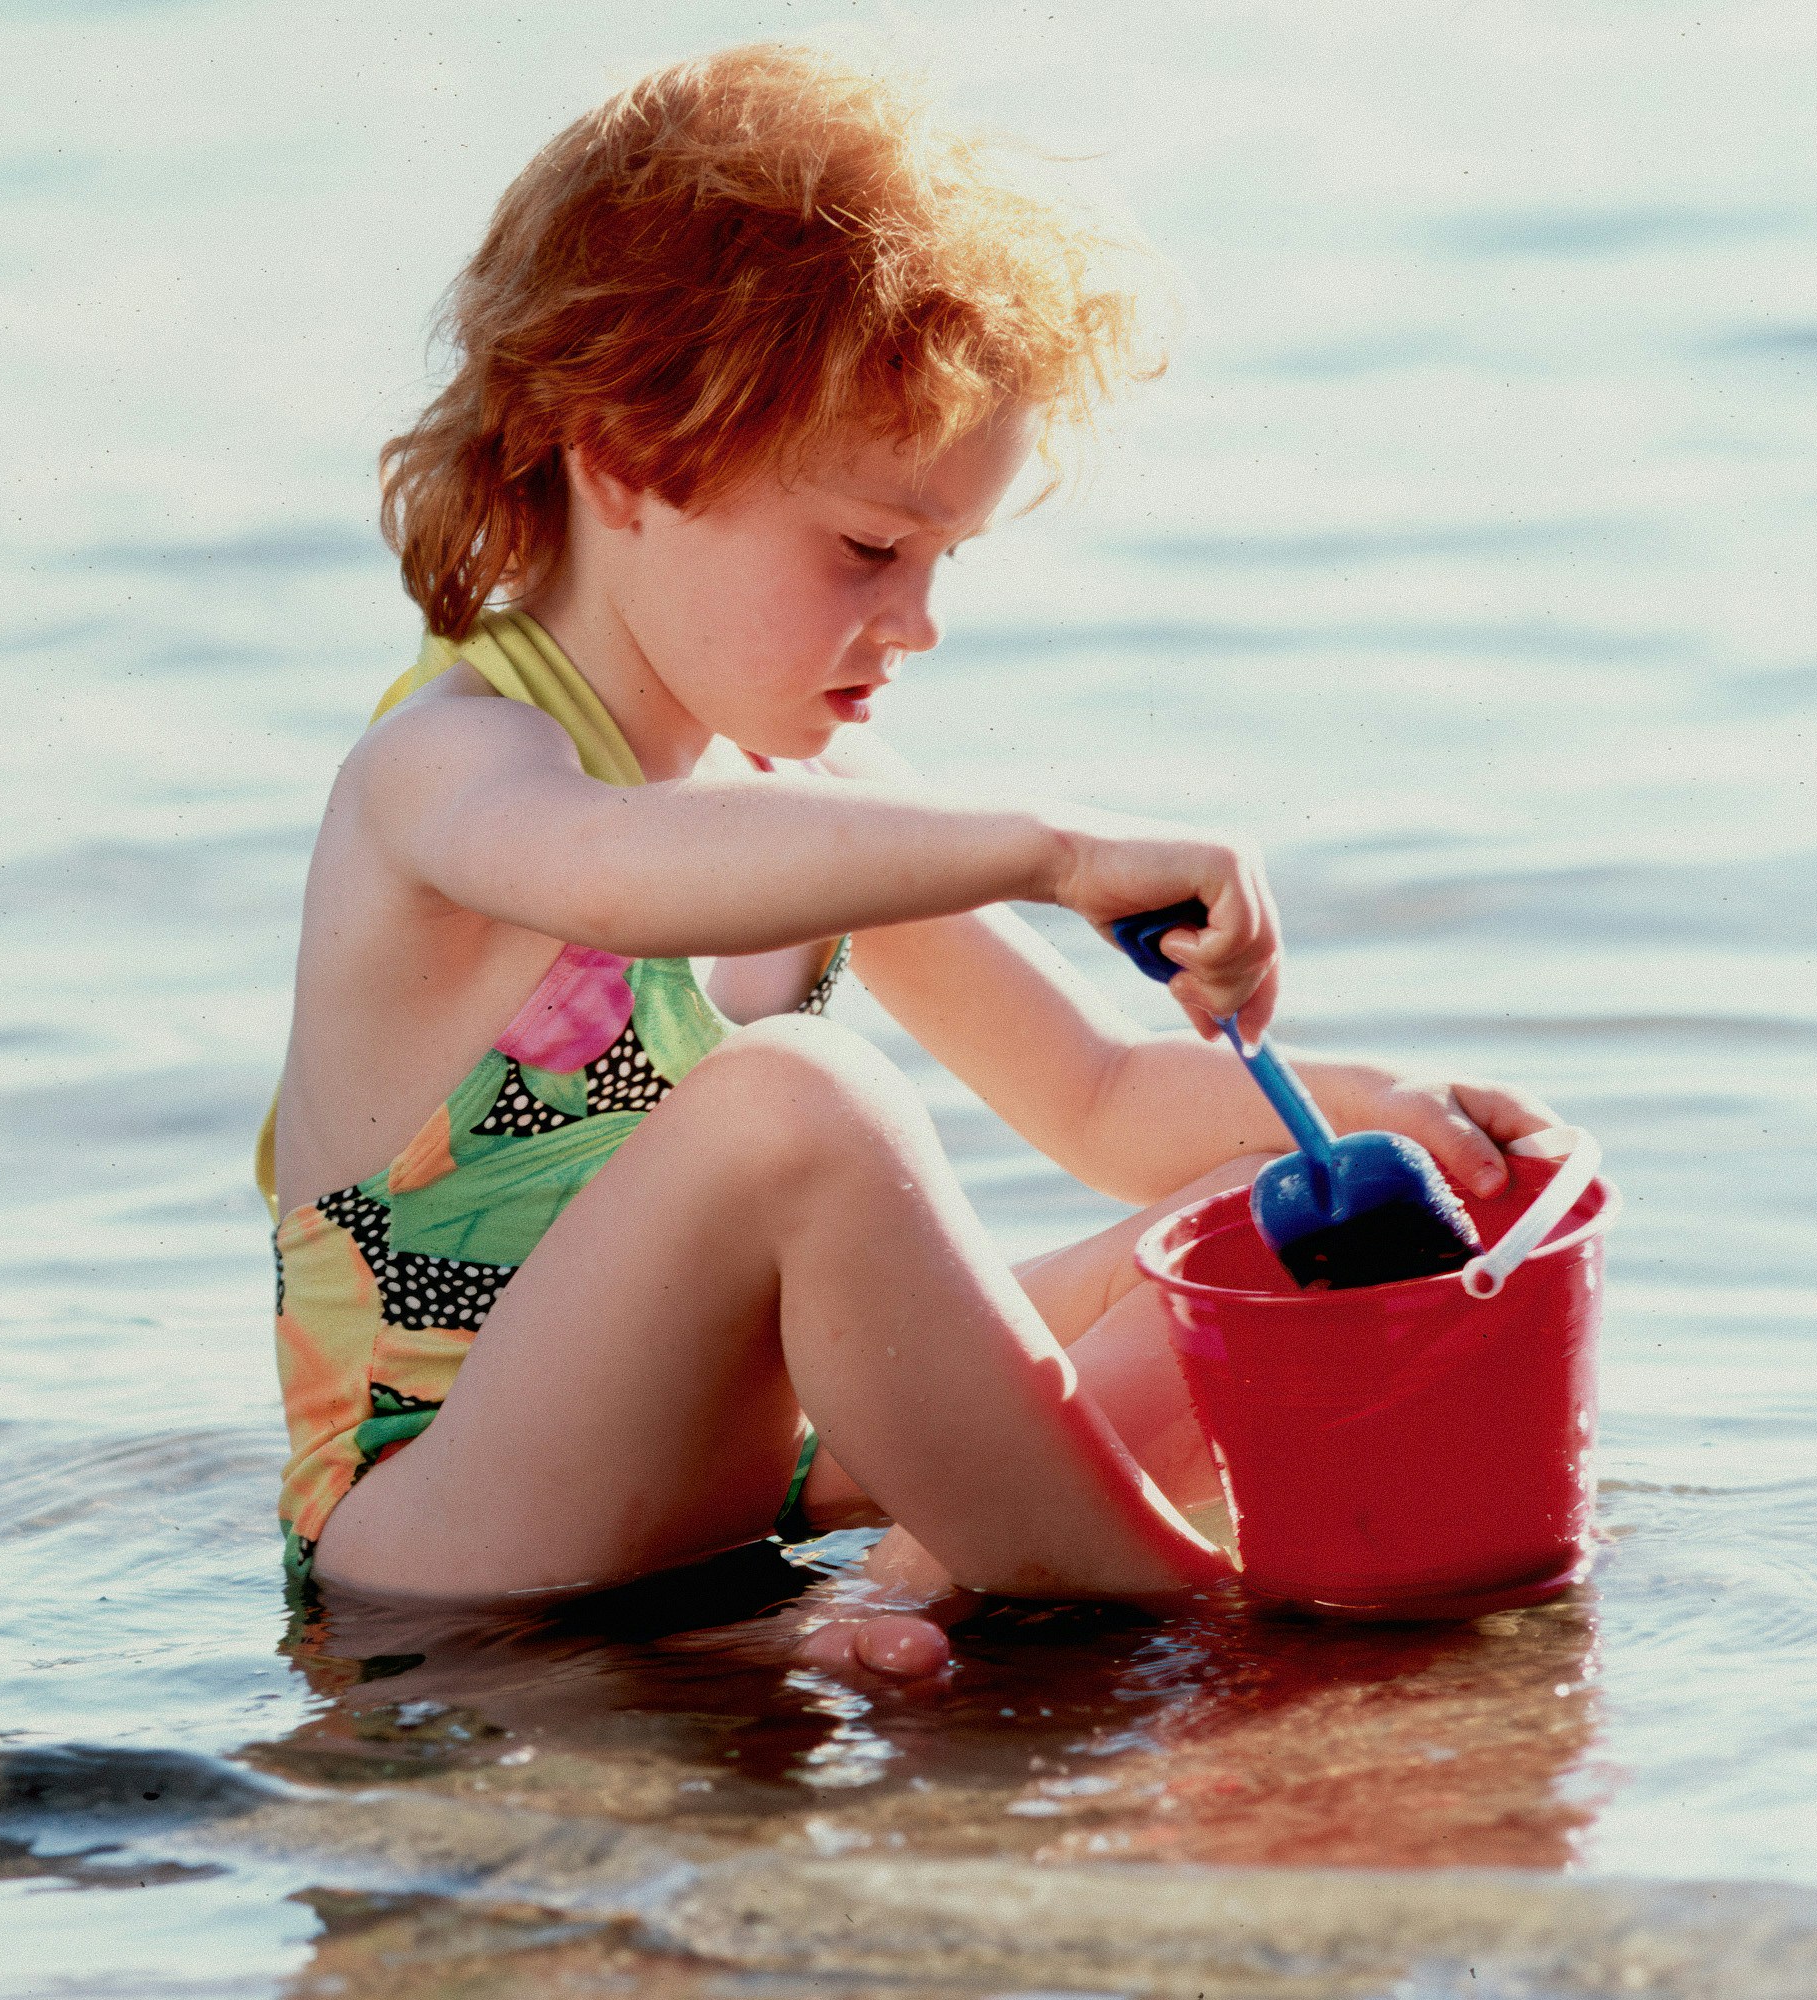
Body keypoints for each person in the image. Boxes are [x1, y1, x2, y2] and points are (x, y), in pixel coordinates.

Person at [259, 42, 1555, 1679]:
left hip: (757, 1484)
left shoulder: (822, 792)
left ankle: (913, 1580)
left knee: (1264, 1223)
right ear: (622, 451)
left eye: (947, 558)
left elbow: (1094, 1105)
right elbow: (612, 868)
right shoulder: (452, 764)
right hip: (445, 1538)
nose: (918, 622)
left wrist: (1402, 1120)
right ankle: (1152, 1612)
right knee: (804, 1096)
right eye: (871, 547)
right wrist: (1045, 850)